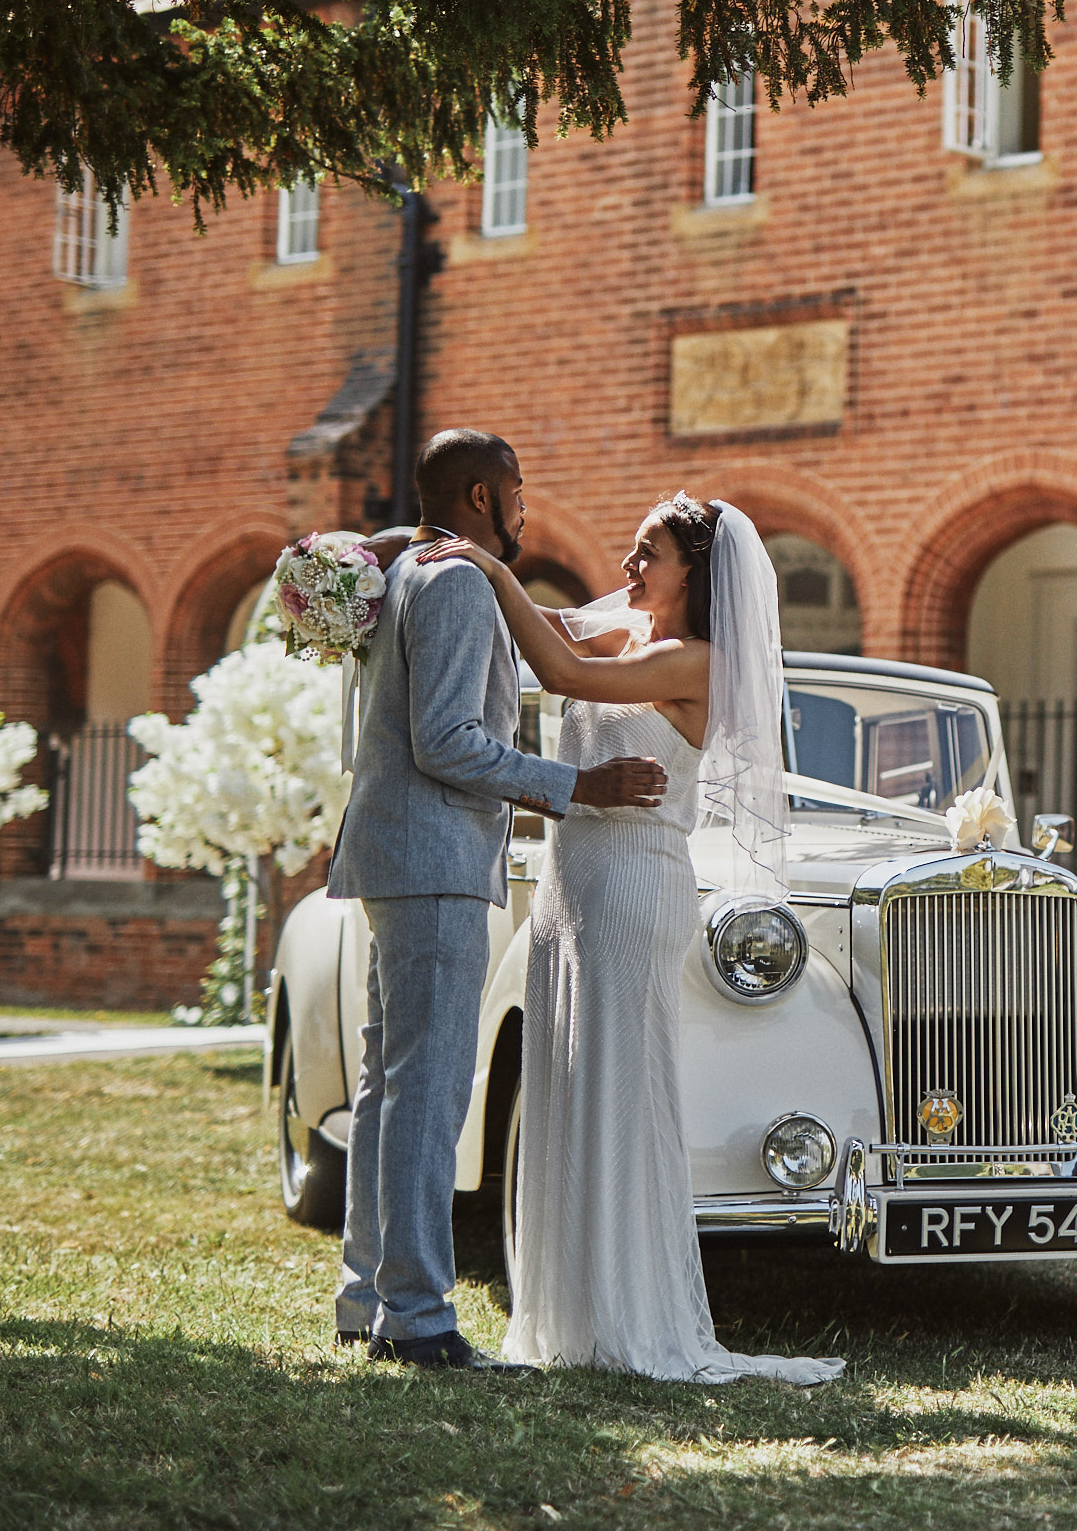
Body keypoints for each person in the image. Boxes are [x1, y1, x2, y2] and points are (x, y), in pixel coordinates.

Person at [421, 492, 844, 1384]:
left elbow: (565, 675)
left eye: (646, 554)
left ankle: (633, 1317)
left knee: (622, 1092)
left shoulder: (697, 659)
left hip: (633, 886)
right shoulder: (629, 630)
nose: (627, 569)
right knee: (566, 1090)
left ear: (696, 571)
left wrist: (493, 565)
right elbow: (549, 635)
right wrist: (407, 555)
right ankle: (572, 1318)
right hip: (569, 887)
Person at [329, 429, 669, 1374]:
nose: (527, 507)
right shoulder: (459, 585)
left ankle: (369, 1300)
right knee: (426, 1097)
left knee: (389, 1090)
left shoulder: (407, 571)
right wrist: (578, 785)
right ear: (483, 495)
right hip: (430, 859)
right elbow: (447, 743)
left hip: (401, 855)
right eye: (520, 490)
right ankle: (420, 1318)